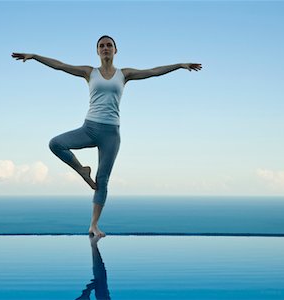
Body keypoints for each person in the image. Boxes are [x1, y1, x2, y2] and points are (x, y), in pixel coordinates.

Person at [12, 35, 202, 238]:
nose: (105, 48)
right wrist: (34, 56)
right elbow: (60, 65)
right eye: (101, 46)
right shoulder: (89, 72)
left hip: (111, 134)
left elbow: (153, 72)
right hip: (89, 128)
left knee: (102, 180)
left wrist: (180, 65)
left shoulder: (124, 74)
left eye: (109, 45)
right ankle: (82, 170)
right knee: (56, 144)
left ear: (115, 50)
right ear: (97, 51)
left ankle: (94, 225)